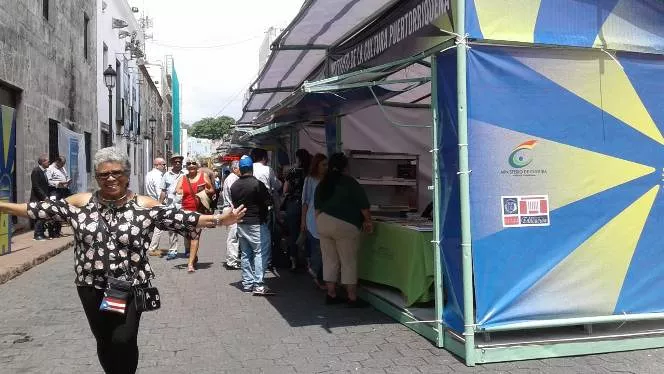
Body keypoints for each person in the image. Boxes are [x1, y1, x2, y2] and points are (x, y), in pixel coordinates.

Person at [0, 147, 245, 374]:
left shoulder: (144, 205)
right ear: (96, 177)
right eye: (103, 174)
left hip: (128, 286)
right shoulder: (80, 203)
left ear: (126, 175)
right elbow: (36, 209)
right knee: (104, 339)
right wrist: (3, 207)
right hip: (90, 286)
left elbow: (180, 217)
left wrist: (218, 220)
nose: (110, 178)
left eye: (116, 172)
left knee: (123, 339)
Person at [315, 153, 373, 307]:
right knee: (348, 262)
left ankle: (331, 294)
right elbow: (364, 206)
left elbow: (317, 209)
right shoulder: (350, 182)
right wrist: (368, 221)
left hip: (323, 222)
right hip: (345, 225)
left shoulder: (323, 183)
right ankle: (352, 297)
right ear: (345, 166)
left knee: (329, 260)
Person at [230, 155, 274, 295]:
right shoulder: (257, 184)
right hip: (256, 223)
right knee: (260, 253)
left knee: (245, 254)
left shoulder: (234, 185)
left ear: (241, 169)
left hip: (241, 223)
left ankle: (247, 283)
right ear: (251, 168)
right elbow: (268, 202)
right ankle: (259, 284)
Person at [175, 158, 214, 273]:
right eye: (189, 164)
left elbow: (211, 190)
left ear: (197, 166)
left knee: (194, 236)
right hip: (186, 212)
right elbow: (177, 190)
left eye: (193, 163)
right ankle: (194, 255)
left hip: (199, 211)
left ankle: (190, 264)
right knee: (188, 236)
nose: (191, 165)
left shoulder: (203, 176)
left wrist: (205, 190)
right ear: (186, 166)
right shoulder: (183, 178)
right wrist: (180, 192)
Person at [301, 153, 328, 289]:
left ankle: (319, 275)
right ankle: (316, 273)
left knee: (325, 249)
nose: (326, 167)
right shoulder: (310, 179)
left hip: (328, 218)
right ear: (316, 165)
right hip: (313, 217)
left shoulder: (329, 180)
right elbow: (305, 201)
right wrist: (303, 221)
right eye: (323, 164)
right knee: (318, 248)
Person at [282, 149, 311, 271]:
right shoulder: (311, 172)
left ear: (297, 158)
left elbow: (285, 190)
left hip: (293, 205)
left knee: (293, 234)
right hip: (309, 206)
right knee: (309, 233)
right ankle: (309, 261)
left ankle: (294, 261)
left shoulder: (292, 171)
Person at [159, 154, 184, 260]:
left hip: (184, 205)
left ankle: (187, 250)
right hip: (170, 206)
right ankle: (173, 250)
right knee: (172, 229)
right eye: (175, 161)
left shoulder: (185, 174)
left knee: (185, 227)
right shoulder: (166, 175)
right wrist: (159, 204)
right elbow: (163, 191)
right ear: (172, 163)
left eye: (179, 161)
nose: (177, 163)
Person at [221, 160, 241, 270]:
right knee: (232, 236)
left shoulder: (232, 178)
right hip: (231, 209)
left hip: (230, 209)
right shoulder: (233, 179)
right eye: (240, 168)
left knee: (234, 236)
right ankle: (232, 261)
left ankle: (233, 259)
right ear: (234, 169)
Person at [145, 158, 166, 255]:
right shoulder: (158, 176)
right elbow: (159, 191)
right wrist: (162, 204)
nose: (165, 166)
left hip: (150, 202)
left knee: (151, 226)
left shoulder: (148, 174)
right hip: (157, 203)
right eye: (163, 164)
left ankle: (148, 245)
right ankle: (153, 248)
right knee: (159, 226)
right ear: (157, 165)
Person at [46, 156, 71, 238]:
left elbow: (66, 177)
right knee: (53, 211)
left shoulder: (62, 168)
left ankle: (58, 231)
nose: (63, 166)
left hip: (63, 191)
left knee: (61, 211)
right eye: (62, 164)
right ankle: (51, 232)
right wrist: (58, 183)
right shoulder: (50, 169)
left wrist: (67, 182)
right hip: (55, 191)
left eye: (64, 164)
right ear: (57, 161)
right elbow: (48, 181)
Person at [30, 154, 51, 241]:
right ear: (42, 162)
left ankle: (41, 233)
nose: (49, 162)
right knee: (39, 216)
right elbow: (36, 186)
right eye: (47, 161)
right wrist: (44, 196)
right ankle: (37, 235)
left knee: (43, 216)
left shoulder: (43, 171)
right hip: (37, 198)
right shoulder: (36, 171)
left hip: (43, 198)